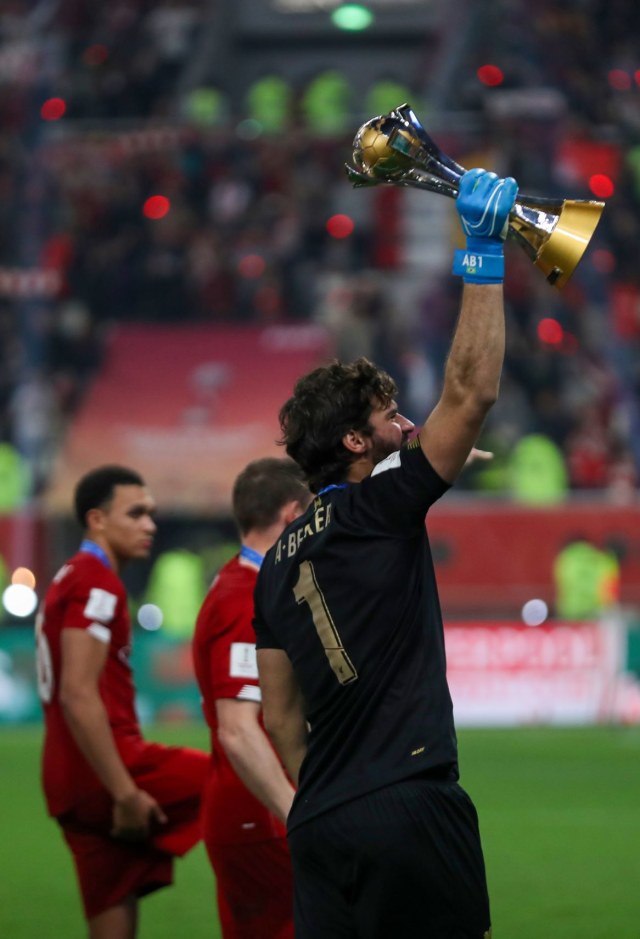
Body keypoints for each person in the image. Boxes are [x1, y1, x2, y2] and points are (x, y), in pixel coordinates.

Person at [253, 167, 518, 939]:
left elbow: (279, 712)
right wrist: (483, 252)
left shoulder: (275, 563)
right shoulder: (382, 507)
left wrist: (329, 794)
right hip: (407, 798)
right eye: (391, 414)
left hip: (321, 825)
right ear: (355, 442)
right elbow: (469, 394)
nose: (408, 424)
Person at [36, 465, 208, 939]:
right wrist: (125, 792)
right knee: (241, 782)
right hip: (110, 769)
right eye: (135, 514)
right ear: (96, 519)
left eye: (151, 515)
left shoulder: (69, 575)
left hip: (67, 776)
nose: (150, 525)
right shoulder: (96, 581)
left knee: (112, 920)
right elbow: (77, 691)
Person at [192, 457, 312, 939]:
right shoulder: (246, 599)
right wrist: (298, 814)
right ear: (289, 515)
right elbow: (239, 728)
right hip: (261, 815)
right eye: (309, 515)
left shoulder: (240, 583)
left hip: (250, 811)